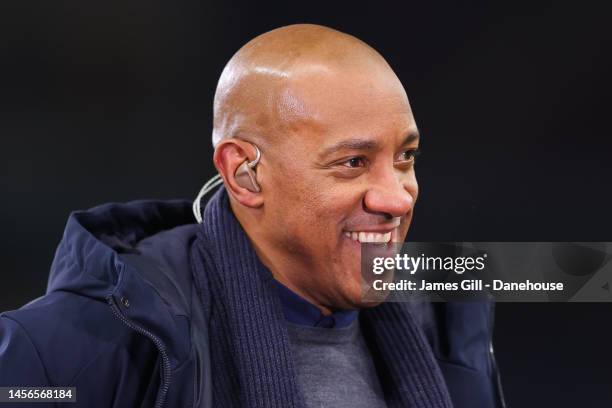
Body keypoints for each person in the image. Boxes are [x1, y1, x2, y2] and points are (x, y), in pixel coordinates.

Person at [0, 24, 504, 407]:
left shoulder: (447, 316)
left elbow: (576, 271)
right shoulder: (72, 347)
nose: (397, 199)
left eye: (405, 158)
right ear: (244, 174)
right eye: (353, 163)